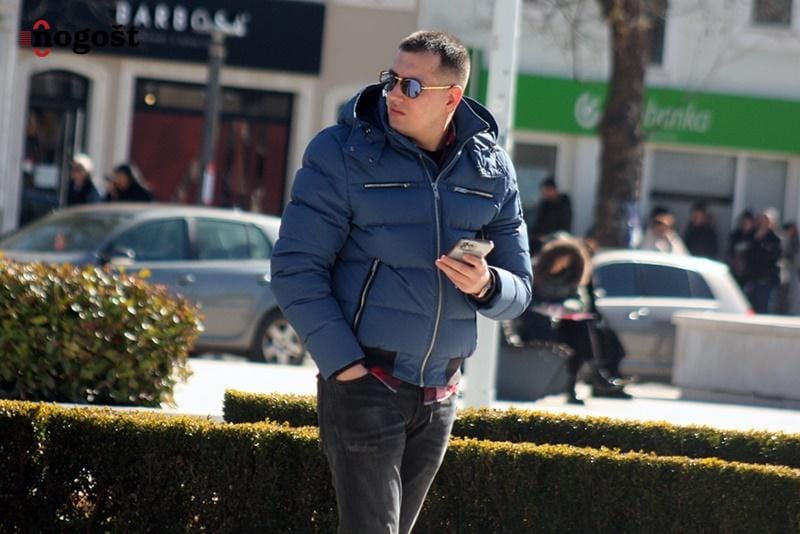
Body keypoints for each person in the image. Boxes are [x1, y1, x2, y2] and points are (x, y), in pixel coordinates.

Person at [269, 31, 532, 534]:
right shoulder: (340, 153)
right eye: (391, 79)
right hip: (366, 382)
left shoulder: (492, 168)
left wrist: (488, 284)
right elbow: (295, 268)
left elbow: (520, 288)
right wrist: (345, 367)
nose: (393, 93)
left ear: (451, 98)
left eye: (412, 86)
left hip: (440, 391)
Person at [514, 236, 630, 404]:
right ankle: (596, 374)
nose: (563, 265)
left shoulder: (571, 275)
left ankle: (581, 380)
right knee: (579, 335)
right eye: (561, 260)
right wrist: (546, 307)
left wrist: (565, 307)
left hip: (562, 322)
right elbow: (525, 298)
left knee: (582, 331)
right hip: (537, 321)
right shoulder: (534, 271)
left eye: (567, 262)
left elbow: (580, 301)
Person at [744, 208, 782, 314]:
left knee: (764, 307)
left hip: (767, 279)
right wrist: (757, 240)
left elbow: (772, 257)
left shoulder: (775, 240)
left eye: (766, 221)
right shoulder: (753, 236)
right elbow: (749, 254)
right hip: (753, 278)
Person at [528, 177, 572, 254]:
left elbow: (564, 224)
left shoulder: (563, 204)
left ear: (553, 189)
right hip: (541, 239)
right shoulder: (543, 205)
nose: (545, 194)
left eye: (546, 191)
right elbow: (537, 223)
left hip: (559, 237)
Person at [727, 210, 754, 288]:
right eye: (743, 222)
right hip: (735, 270)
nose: (744, 224)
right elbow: (730, 251)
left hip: (749, 273)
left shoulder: (754, 237)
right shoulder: (735, 235)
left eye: (747, 222)